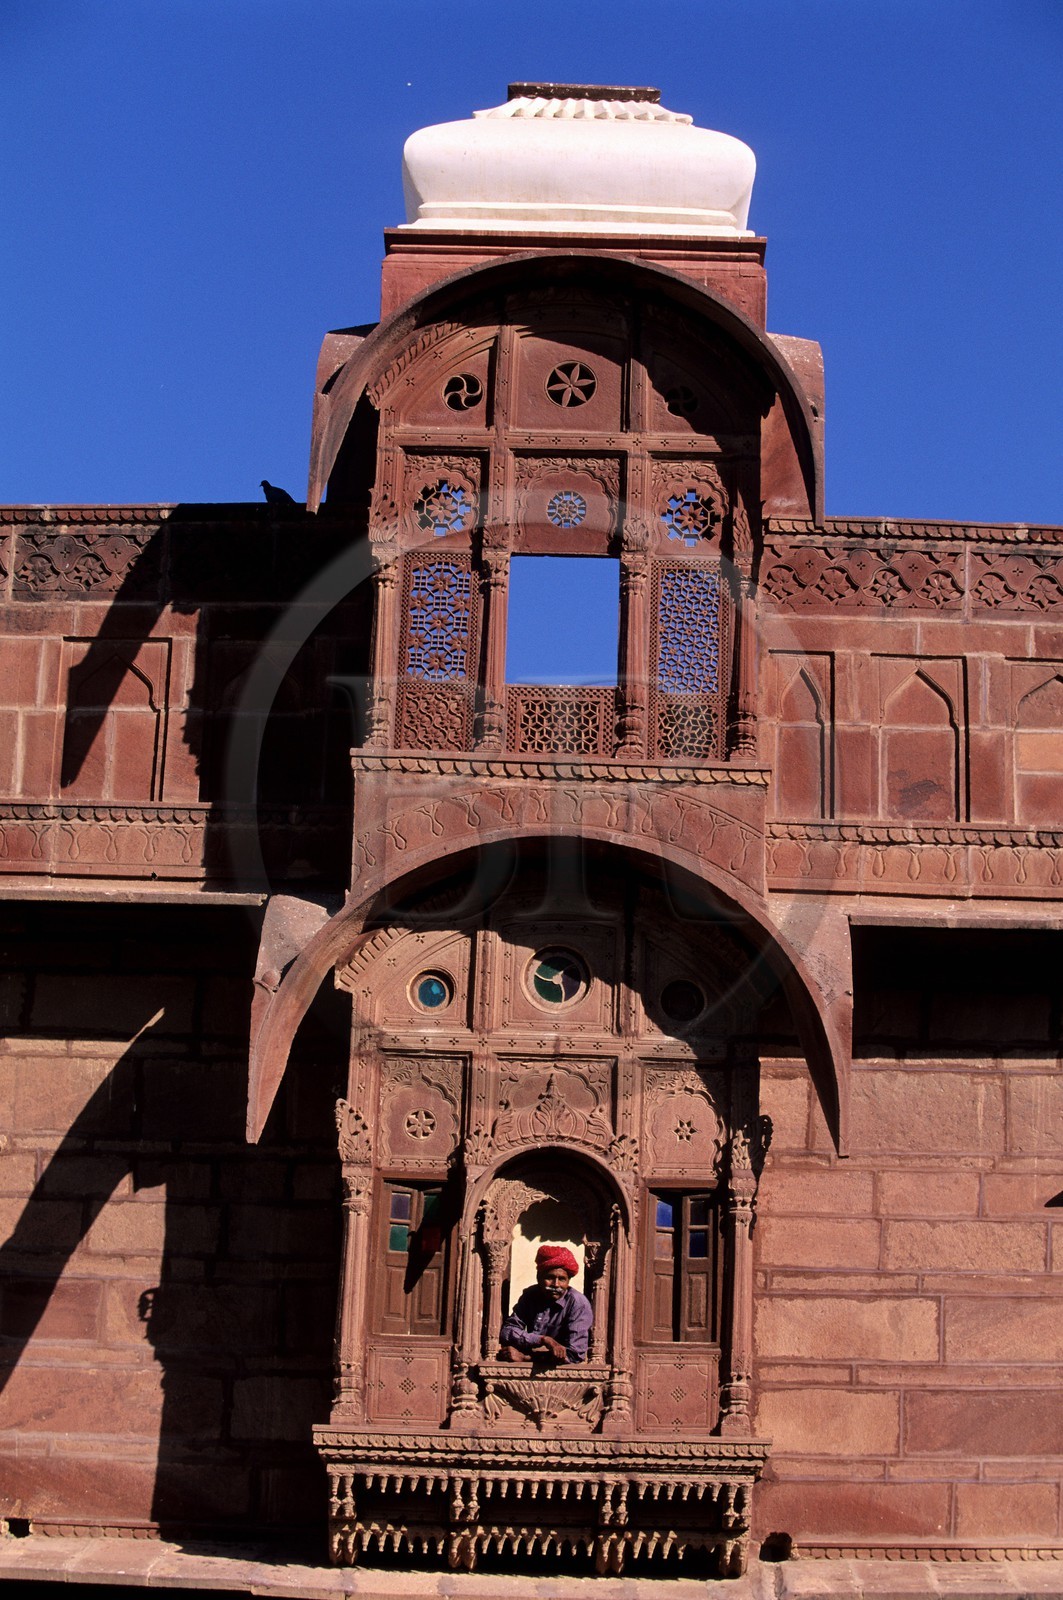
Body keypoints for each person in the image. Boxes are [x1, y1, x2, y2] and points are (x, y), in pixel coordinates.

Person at [498, 1244, 593, 1364]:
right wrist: (542, 1340)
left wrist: (525, 1358)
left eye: (562, 1279)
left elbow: (575, 1355)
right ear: (539, 1277)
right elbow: (508, 1331)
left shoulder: (579, 1304)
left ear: (568, 1281)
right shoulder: (530, 1295)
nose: (556, 1284)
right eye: (550, 1277)